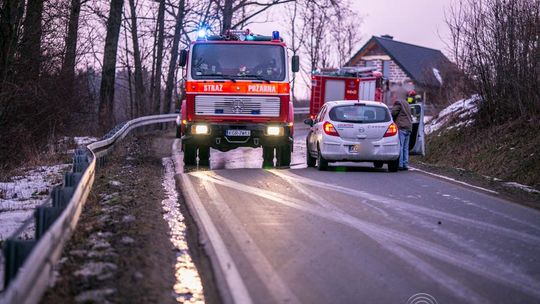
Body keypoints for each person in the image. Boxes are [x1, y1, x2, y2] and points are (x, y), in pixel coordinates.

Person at [392, 98, 413, 171]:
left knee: (400, 146)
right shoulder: (407, 104)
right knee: (405, 147)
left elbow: (393, 113)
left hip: (402, 127)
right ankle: (405, 164)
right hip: (409, 127)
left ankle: (400, 164)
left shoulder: (398, 103)